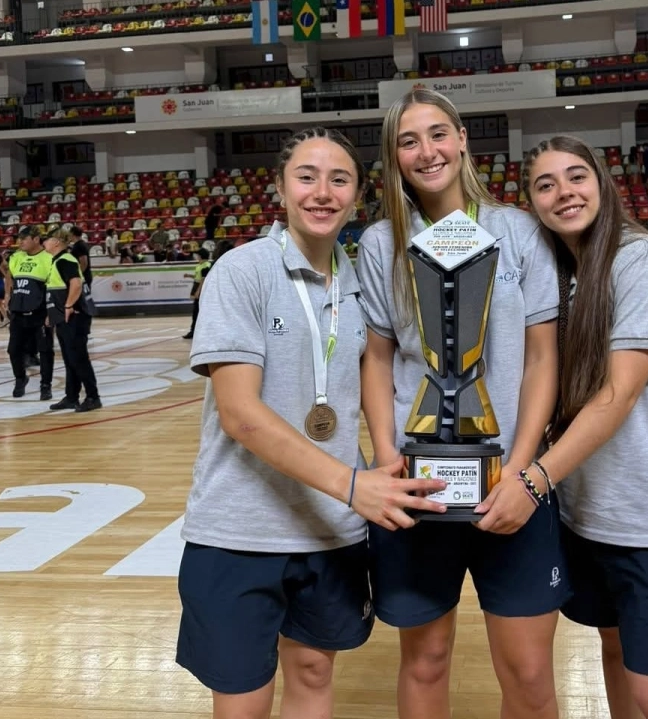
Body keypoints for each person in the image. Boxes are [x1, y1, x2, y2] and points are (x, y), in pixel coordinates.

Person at [175, 126, 449, 719]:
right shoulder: (241, 271)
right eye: (306, 177)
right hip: (240, 531)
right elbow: (240, 415)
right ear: (280, 189)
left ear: (357, 197)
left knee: (314, 673)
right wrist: (353, 485)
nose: (322, 192)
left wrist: (384, 460)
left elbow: (380, 375)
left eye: (339, 179)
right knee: (243, 700)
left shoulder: (360, 283)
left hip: (330, 530)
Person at [356, 88, 568, 719]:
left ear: (462, 140)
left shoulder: (519, 230)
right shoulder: (380, 244)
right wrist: (387, 457)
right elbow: (377, 360)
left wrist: (524, 474)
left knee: (529, 671)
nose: (427, 152)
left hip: (514, 482)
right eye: (408, 141)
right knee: (425, 660)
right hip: (417, 484)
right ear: (394, 156)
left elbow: (541, 359)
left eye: (438, 134)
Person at [516, 135, 648, 719]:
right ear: (532, 203)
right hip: (589, 513)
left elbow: (619, 394)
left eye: (576, 176)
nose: (564, 192)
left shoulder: (643, 261)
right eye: (545, 185)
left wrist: (534, 481)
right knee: (615, 651)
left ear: (602, 183)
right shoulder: (562, 274)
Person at [42, 229, 101, 412]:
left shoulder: (65, 260)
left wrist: (68, 306)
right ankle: (71, 397)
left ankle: (93, 397)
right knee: (70, 358)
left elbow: (75, 285)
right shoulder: (58, 260)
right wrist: (52, 314)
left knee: (78, 358)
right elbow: (57, 292)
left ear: (56, 242)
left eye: (47, 240)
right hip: (64, 316)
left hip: (75, 316)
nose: (44, 243)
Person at [5, 226, 54, 400]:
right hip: (18, 311)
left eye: (24, 239)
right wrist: (8, 295)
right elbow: (8, 274)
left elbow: (53, 286)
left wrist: (51, 311)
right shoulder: (17, 257)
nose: (20, 242)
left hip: (40, 312)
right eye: (19, 239)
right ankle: (20, 378)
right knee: (13, 350)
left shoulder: (48, 259)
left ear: (36, 239)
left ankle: (45, 385)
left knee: (45, 350)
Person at [181, 247, 211, 340]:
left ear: (200, 256)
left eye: (197, 255)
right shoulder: (199, 265)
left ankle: (194, 331)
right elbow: (198, 277)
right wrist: (189, 275)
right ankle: (195, 330)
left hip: (201, 289)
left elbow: (203, 279)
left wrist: (198, 291)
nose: (196, 257)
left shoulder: (206, 265)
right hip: (197, 286)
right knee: (196, 311)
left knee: (197, 311)